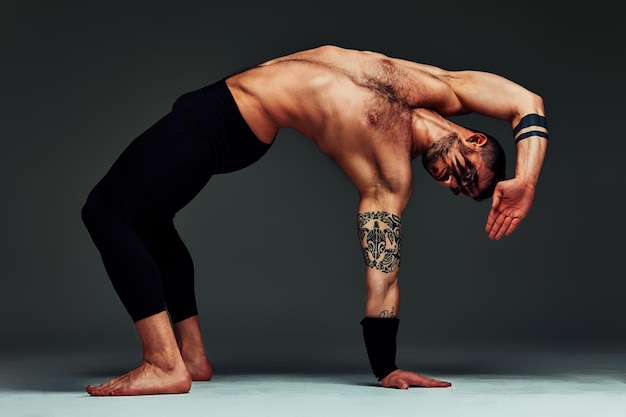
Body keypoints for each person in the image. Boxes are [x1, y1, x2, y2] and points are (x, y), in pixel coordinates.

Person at [81, 45, 548, 396]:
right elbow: (525, 99)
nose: (450, 186)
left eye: (459, 193)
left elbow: (383, 277)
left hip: (225, 121)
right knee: (151, 220)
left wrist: (385, 366)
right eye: (464, 179)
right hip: (223, 108)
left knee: (106, 213)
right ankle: (192, 358)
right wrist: (525, 179)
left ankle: (164, 364)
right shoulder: (439, 84)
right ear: (476, 140)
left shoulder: (390, 175)